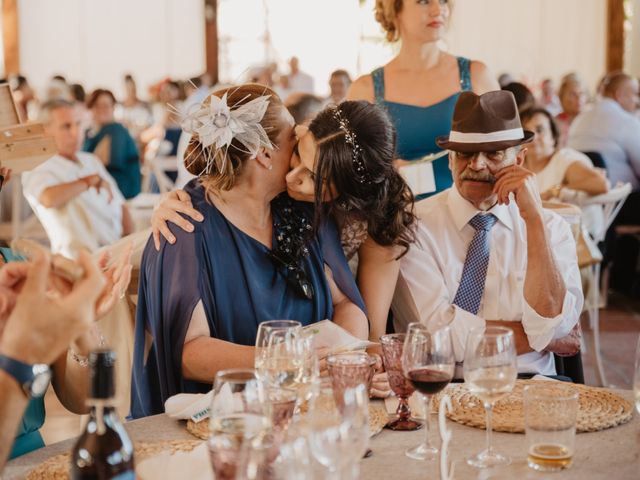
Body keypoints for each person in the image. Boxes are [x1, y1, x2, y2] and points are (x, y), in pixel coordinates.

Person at [131, 84, 369, 418]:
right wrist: (286, 360)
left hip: (314, 410)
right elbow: (187, 352)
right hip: (228, 424)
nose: (302, 136)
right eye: (292, 137)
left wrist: (344, 357)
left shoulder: (303, 206)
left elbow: (347, 303)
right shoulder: (186, 228)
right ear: (263, 154)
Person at [150, 100, 415, 371]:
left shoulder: (376, 217)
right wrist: (164, 204)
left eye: (315, 178)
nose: (292, 178)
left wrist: (346, 359)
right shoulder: (284, 182)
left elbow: (369, 328)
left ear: (348, 193)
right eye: (299, 153)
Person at [392, 90, 583, 377]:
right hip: (444, 384)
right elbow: (439, 336)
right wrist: (540, 338)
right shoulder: (414, 226)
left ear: (519, 160)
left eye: (493, 153)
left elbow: (554, 322)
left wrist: (533, 221)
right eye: (465, 154)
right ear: (450, 160)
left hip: (532, 384)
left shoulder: (550, 228)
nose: (477, 165)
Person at [348, 0, 499, 197]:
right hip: (396, 218)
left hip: (469, 217)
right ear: (395, 9)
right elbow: (348, 170)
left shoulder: (477, 75)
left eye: (443, 1)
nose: (438, 9)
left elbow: (506, 155)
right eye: (424, 1)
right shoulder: (365, 89)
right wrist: (380, 171)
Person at [0, 251, 107, 469]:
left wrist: (80, 334)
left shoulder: (22, 263)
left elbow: (81, 401)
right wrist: (19, 359)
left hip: (36, 461)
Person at [22, 100, 134, 258]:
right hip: (85, 259)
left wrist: (128, 243)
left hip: (118, 249)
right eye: (66, 126)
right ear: (44, 131)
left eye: (78, 124)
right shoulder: (39, 167)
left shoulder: (90, 161)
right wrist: (88, 182)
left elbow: (121, 205)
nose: (76, 132)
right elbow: (48, 198)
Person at [521, 107, 608, 202]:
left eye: (540, 130)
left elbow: (601, 184)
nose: (533, 137)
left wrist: (555, 190)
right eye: (526, 132)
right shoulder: (518, 166)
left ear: (553, 137)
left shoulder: (564, 159)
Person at [83, 89, 141, 199]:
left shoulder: (115, 130)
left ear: (113, 107)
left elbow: (100, 162)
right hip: (102, 183)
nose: (101, 110)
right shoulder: (90, 132)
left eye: (105, 106)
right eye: (96, 105)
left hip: (119, 187)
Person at [555, 74, 586, 148]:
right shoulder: (555, 123)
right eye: (573, 94)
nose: (579, 98)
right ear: (561, 97)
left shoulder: (590, 120)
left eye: (581, 93)